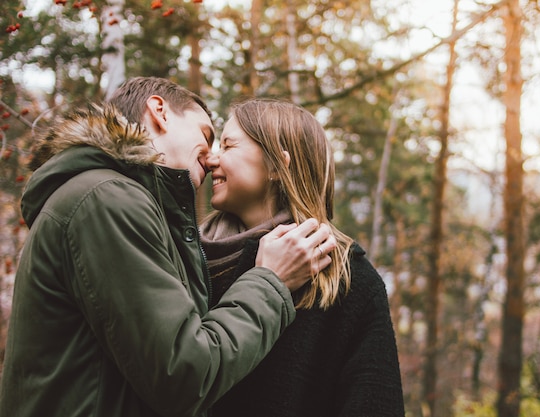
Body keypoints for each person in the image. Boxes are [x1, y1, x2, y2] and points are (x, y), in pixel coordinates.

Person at [0, 77, 336, 417]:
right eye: (206, 136)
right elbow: (184, 374)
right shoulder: (108, 199)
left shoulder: (108, 199)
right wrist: (269, 280)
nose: (211, 158)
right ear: (159, 111)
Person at [200, 97, 405, 416]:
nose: (211, 159)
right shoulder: (187, 256)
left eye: (228, 146)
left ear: (276, 166)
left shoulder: (348, 279)